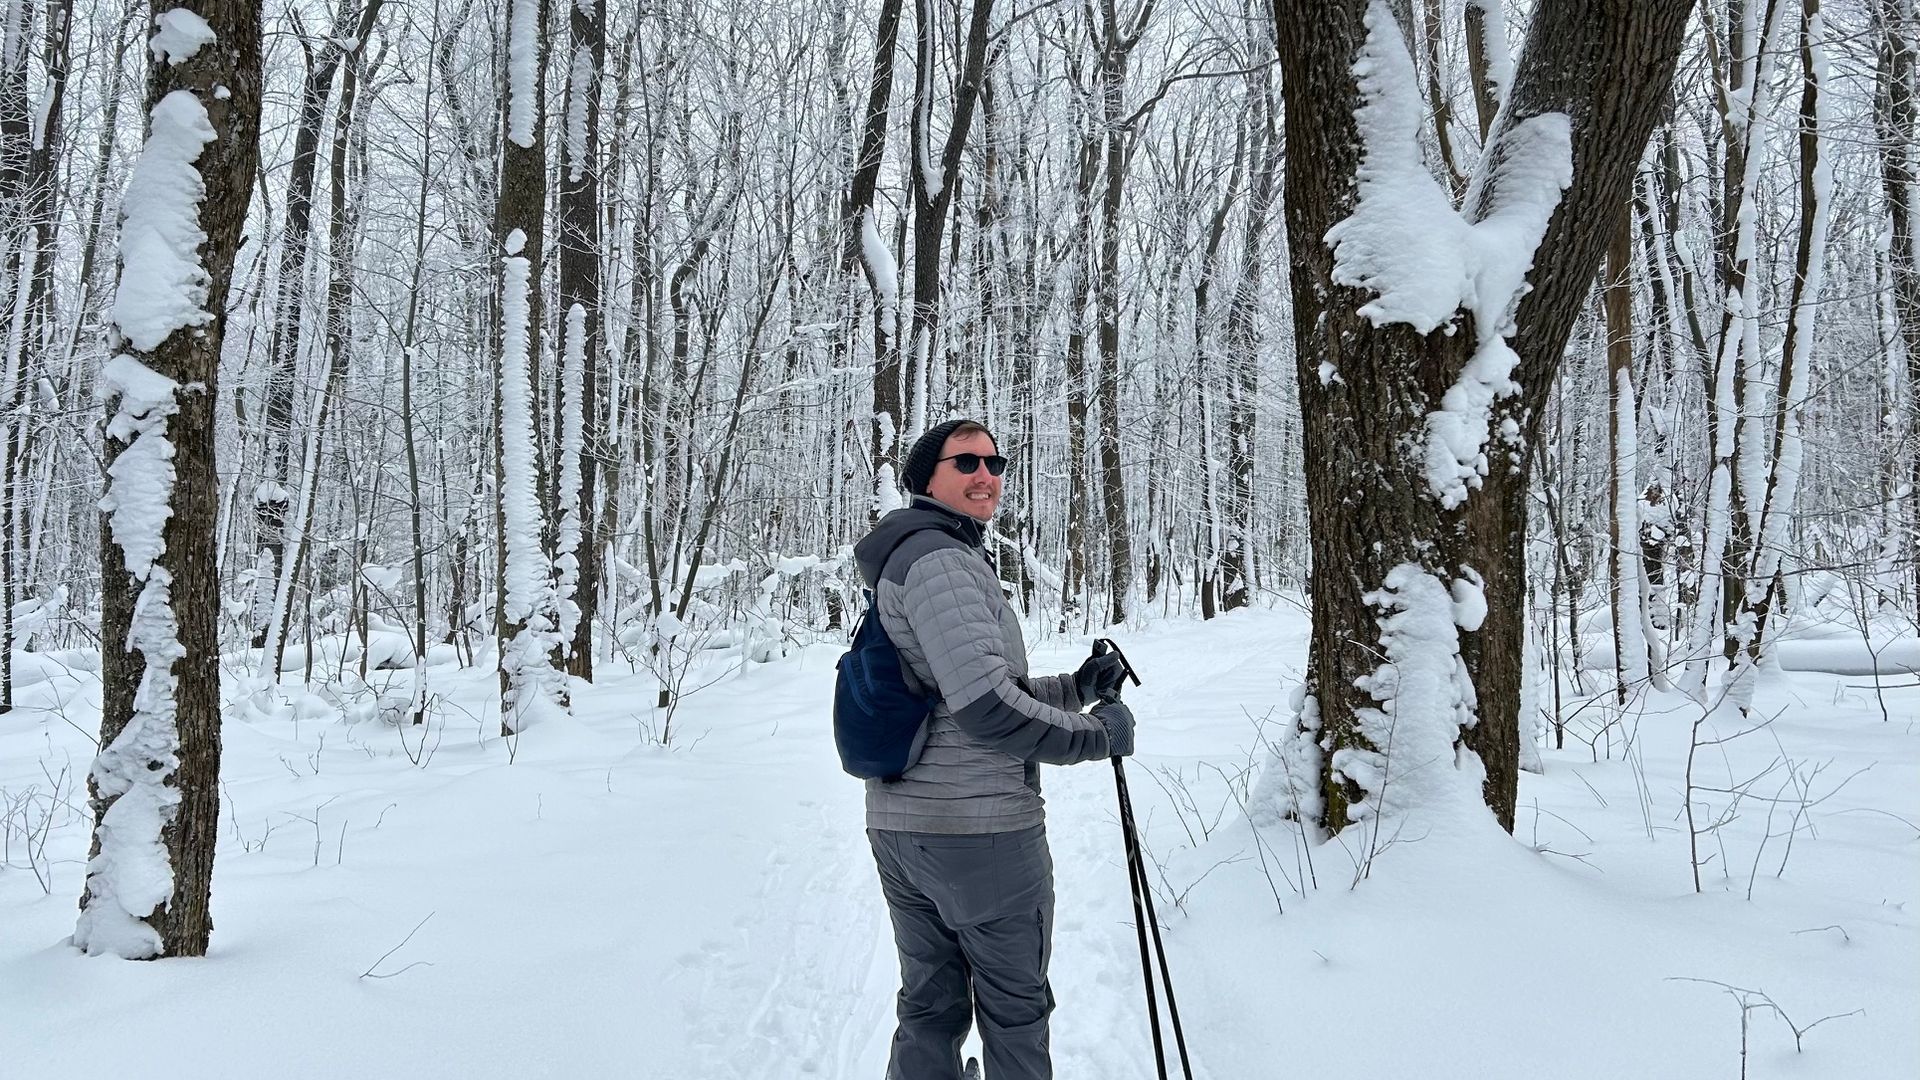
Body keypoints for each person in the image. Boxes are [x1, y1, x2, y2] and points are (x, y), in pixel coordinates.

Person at [852, 417, 1134, 1080]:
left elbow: (961, 688)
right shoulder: (941, 561)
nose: (986, 475)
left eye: (995, 463)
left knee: (930, 1006)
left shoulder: (914, 555)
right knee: (1015, 1012)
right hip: (981, 836)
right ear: (925, 479)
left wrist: (1074, 688)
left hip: (905, 829)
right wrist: (1101, 736)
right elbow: (986, 710)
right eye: (966, 462)